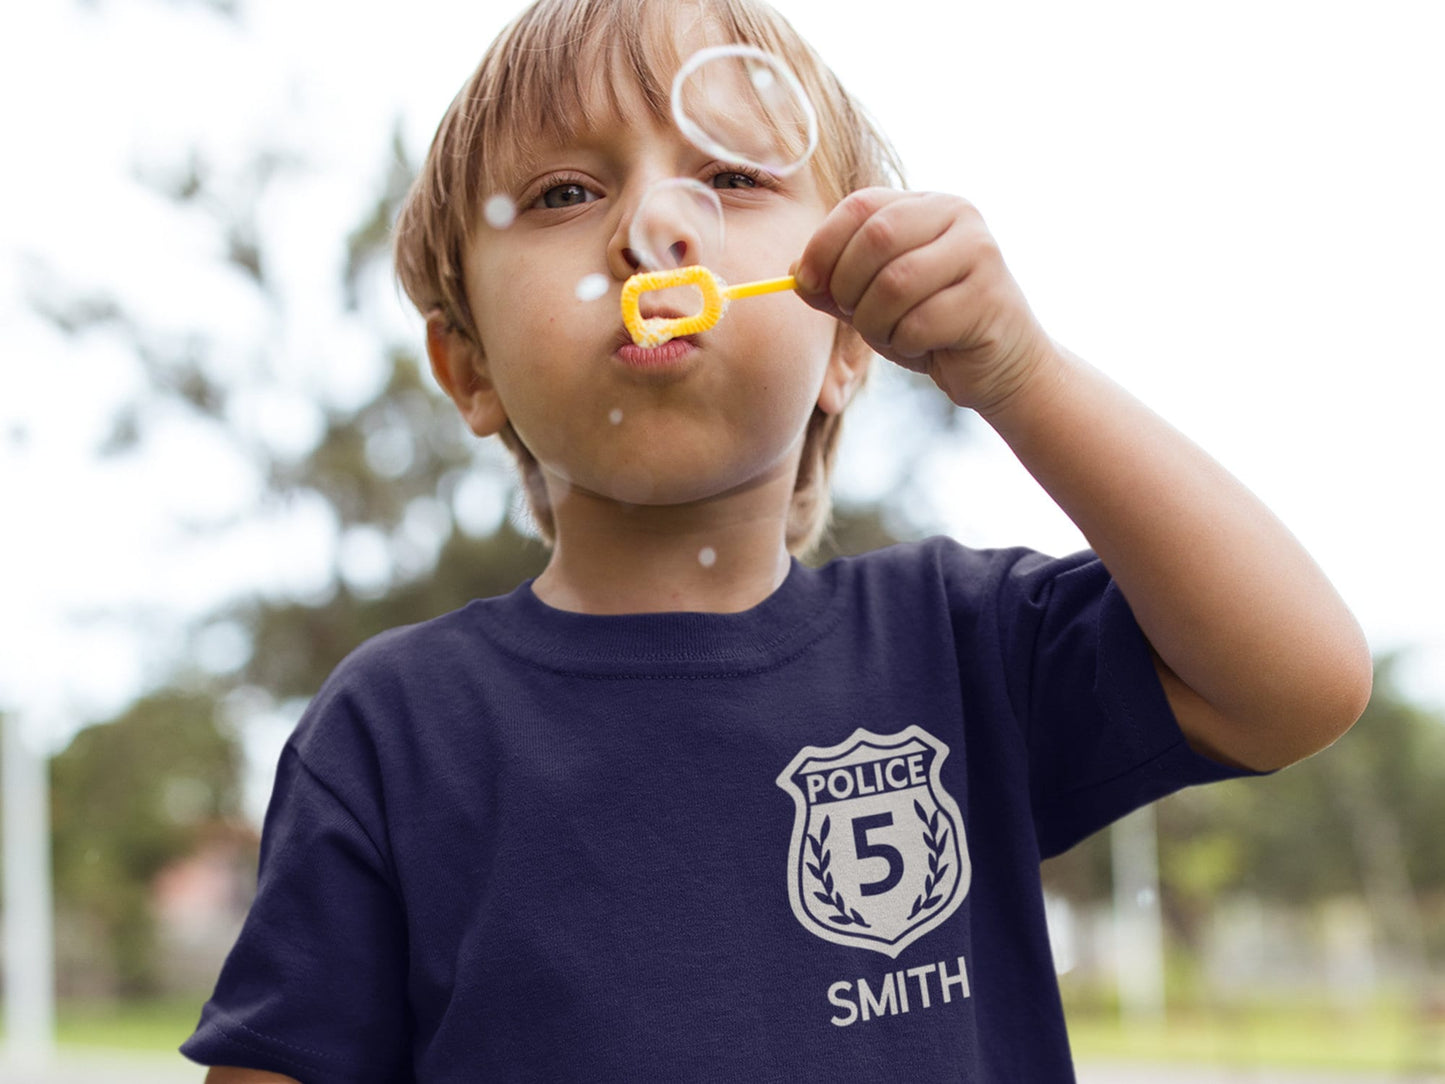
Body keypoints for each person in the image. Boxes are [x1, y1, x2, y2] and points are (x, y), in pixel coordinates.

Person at [182, 0, 1373, 1079]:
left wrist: (1019, 374)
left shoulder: (957, 652)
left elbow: (1296, 682)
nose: (654, 229)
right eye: (561, 193)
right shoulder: (395, 731)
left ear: (847, 338)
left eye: (735, 178)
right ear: (470, 368)